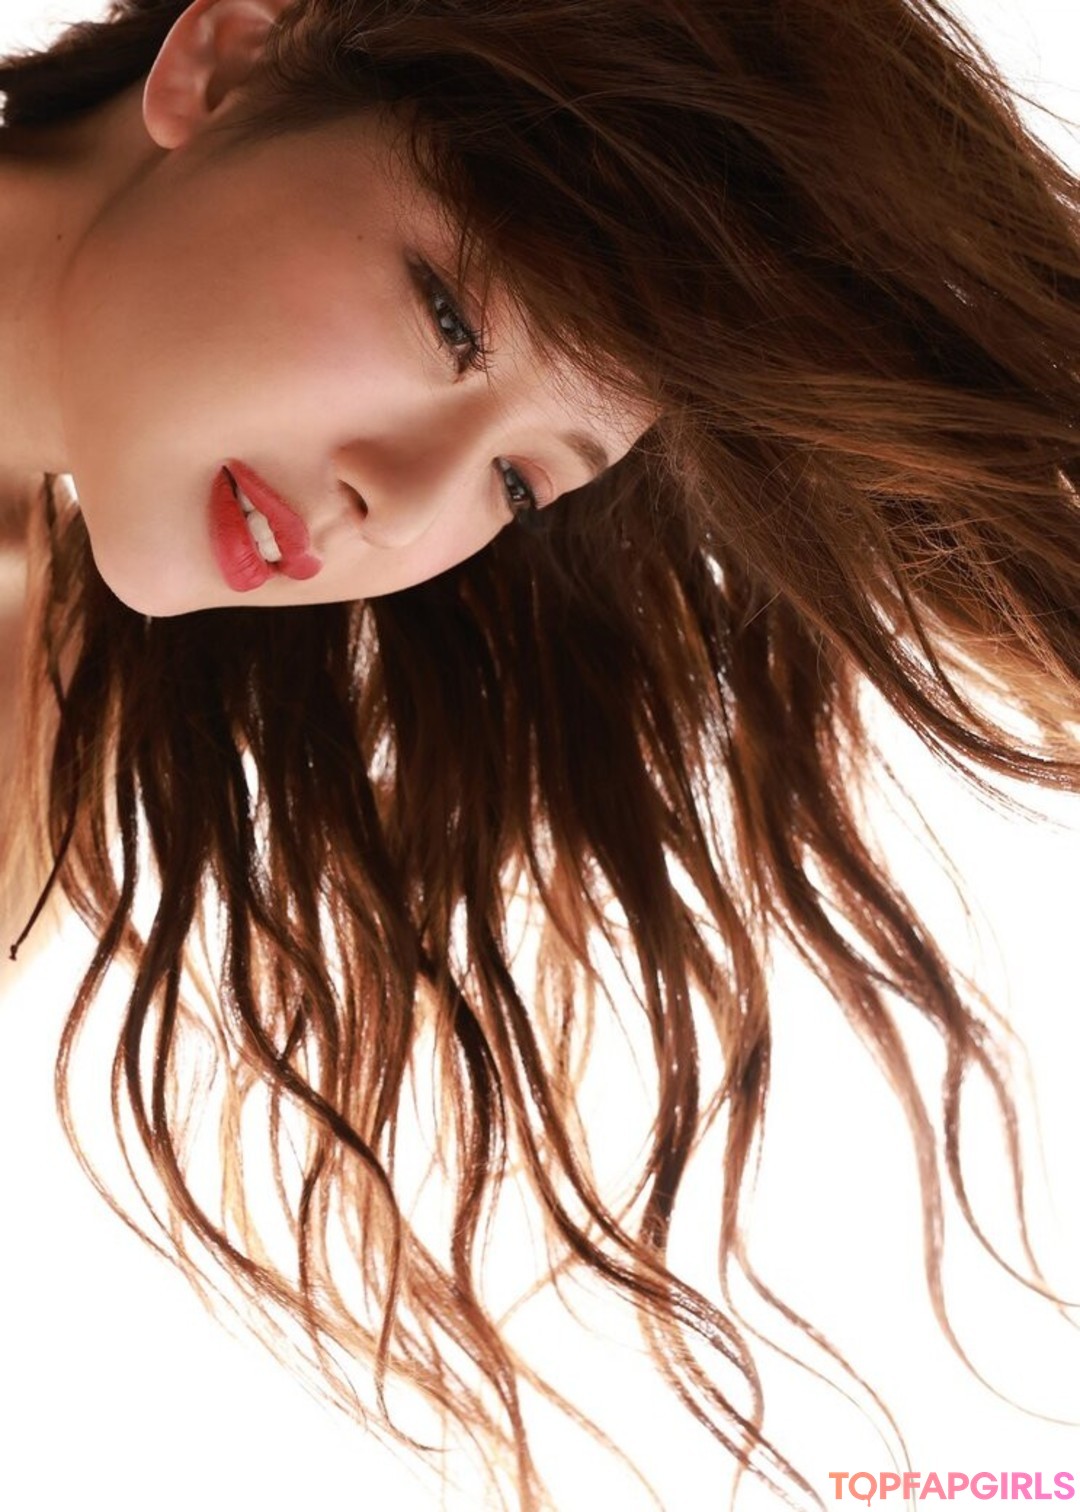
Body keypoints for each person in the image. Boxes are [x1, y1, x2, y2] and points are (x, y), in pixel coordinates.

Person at [0, 0, 1077, 1507]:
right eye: (448, 320)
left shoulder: (37, 731)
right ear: (229, 58)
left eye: (517, 483)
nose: (401, 501)